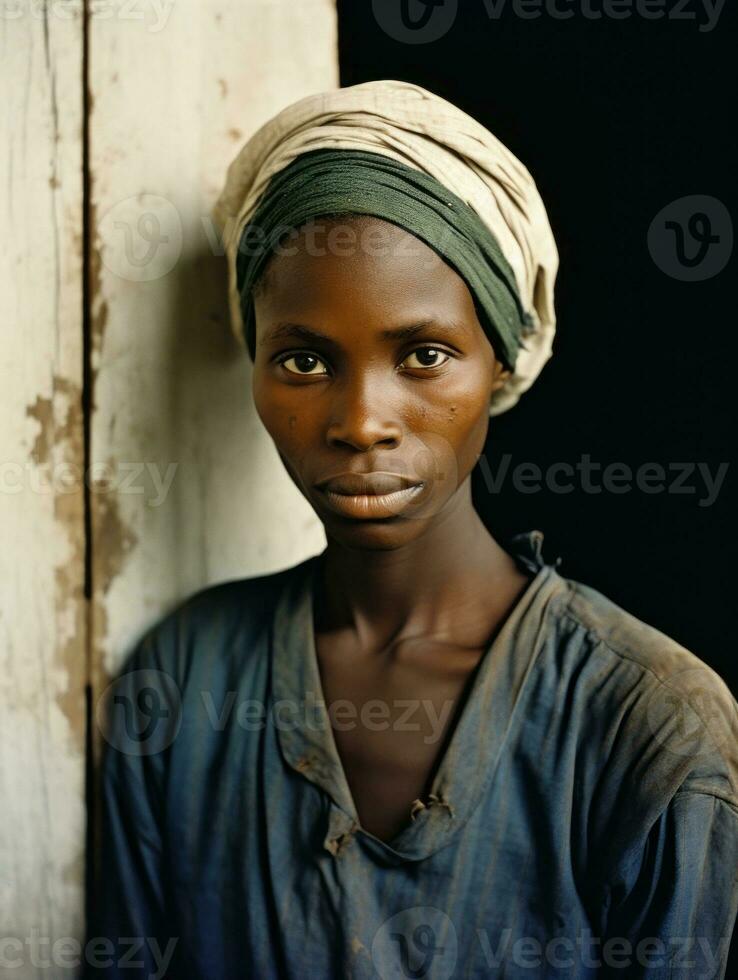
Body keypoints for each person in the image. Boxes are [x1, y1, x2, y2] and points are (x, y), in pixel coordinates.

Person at [87, 81, 738, 979]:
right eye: (304, 359)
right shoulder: (184, 680)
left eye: (423, 355)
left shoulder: (648, 723)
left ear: (501, 360)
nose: (362, 421)